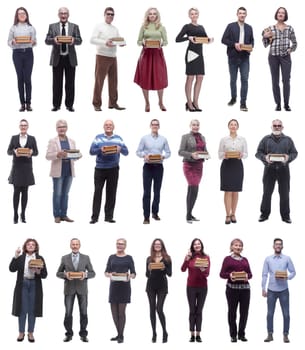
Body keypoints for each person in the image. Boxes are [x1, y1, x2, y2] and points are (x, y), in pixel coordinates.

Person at [255, 119, 297, 223]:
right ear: (271, 127)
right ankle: (264, 214)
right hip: (269, 170)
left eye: (279, 125)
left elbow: (294, 153)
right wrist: (265, 157)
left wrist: (288, 158)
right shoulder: (266, 139)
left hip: (284, 170)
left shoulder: (288, 140)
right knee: (267, 193)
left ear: (282, 127)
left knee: (284, 194)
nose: (277, 127)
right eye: (275, 125)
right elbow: (258, 153)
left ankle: (285, 216)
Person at [89, 119, 128, 224]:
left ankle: (109, 217)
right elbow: (91, 151)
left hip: (113, 169)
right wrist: (100, 150)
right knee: (98, 192)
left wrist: (121, 149)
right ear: (103, 127)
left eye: (110, 125)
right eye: (106, 125)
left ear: (113, 127)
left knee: (111, 193)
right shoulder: (98, 138)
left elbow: (126, 152)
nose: (108, 126)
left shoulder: (119, 139)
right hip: (100, 169)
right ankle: (94, 217)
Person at [57, 238, 95, 342]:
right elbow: (58, 273)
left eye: (77, 244)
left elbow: (93, 273)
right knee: (68, 312)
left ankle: (83, 334)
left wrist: (85, 274)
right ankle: (69, 334)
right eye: (73, 244)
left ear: (79, 245)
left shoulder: (86, 258)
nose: (75, 246)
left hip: (82, 289)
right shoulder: (64, 258)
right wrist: (65, 275)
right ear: (70, 245)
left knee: (83, 312)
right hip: (69, 289)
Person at [9, 238, 47, 343]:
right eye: (29, 244)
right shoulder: (20, 258)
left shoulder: (40, 258)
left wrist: (38, 272)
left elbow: (45, 275)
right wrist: (15, 256)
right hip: (23, 285)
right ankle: (21, 332)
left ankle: (30, 332)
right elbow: (11, 269)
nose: (30, 246)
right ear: (25, 246)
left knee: (32, 310)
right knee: (22, 309)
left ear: (36, 247)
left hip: (35, 284)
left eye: (33, 245)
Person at [175, 7, 213, 111]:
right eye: (192, 14)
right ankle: (189, 102)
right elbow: (177, 39)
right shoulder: (187, 26)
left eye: (196, 13)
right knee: (190, 78)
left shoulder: (201, 27)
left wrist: (210, 40)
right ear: (189, 15)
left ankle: (196, 102)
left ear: (198, 15)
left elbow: (205, 39)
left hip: (200, 55)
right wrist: (188, 38)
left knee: (200, 77)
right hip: (191, 54)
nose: (194, 15)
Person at [45, 7, 82, 112]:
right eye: (61, 13)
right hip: (57, 58)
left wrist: (74, 40)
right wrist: (54, 40)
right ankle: (56, 105)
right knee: (57, 83)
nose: (63, 15)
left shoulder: (74, 27)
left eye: (65, 13)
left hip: (70, 58)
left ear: (68, 15)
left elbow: (80, 40)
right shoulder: (52, 26)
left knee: (70, 83)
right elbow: (47, 40)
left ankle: (69, 105)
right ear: (58, 15)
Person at [136, 119, 171, 224]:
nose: (155, 126)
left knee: (157, 192)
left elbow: (169, 152)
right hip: (148, 167)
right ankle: (146, 216)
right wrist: (144, 155)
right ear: (150, 126)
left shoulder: (163, 139)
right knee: (146, 192)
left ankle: (155, 213)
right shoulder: (144, 138)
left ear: (159, 126)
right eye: (153, 124)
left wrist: (164, 156)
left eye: (157, 124)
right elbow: (138, 151)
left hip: (159, 167)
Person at [91, 7, 125, 111]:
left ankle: (113, 103)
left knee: (113, 81)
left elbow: (118, 39)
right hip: (102, 56)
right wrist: (105, 42)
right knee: (99, 81)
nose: (110, 16)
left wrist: (122, 43)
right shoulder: (99, 26)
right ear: (104, 14)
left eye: (112, 14)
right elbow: (92, 40)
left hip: (113, 57)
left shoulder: (115, 28)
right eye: (108, 14)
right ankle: (96, 104)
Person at [262, 7, 297, 111]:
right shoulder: (270, 28)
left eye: (283, 13)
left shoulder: (289, 28)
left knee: (286, 80)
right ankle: (278, 104)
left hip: (286, 57)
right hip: (273, 57)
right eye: (279, 12)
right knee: (275, 81)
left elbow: (295, 43)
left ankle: (286, 104)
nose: (281, 14)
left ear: (285, 15)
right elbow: (265, 44)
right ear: (276, 15)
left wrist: (290, 50)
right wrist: (265, 36)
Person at [46, 119, 81, 223]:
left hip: (69, 171)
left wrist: (78, 156)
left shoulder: (72, 141)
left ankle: (64, 215)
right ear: (56, 129)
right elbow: (47, 156)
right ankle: (57, 215)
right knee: (57, 194)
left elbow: (73, 156)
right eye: (59, 127)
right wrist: (57, 154)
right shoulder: (53, 141)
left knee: (65, 194)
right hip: (58, 172)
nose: (62, 129)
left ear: (67, 128)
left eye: (64, 127)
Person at [262, 238, 296, 343]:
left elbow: (293, 272)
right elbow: (264, 274)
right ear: (273, 246)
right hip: (271, 290)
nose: (278, 246)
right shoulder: (268, 259)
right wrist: (263, 288)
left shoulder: (287, 259)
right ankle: (270, 334)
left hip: (283, 290)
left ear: (282, 246)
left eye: (280, 244)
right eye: (276, 244)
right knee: (270, 314)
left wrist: (287, 277)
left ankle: (286, 334)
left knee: (286, 314)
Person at [134, 7, 168, 112]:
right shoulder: (144, 27)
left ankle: (161, 102)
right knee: (145, 78)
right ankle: (147, 103)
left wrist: (161, 44)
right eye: (150, 14)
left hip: (157, 54)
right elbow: (139, 41)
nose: (152, 15)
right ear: (147, 16)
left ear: (157, 15)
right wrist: (143, 43)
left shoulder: (161, 27)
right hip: (146, 55)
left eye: (154, 14)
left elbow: (166, 41)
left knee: (160, 78)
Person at [221, 7, 254, 112]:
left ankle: (243, 103)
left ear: (246, 15)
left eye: (244, 13)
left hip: (245, 57)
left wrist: (250, 48)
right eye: (240, 13)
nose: (242, 15)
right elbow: (223, 39)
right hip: (233, 57)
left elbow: (252, 41)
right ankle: (233, 98)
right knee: (233, 79)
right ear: (237, 14)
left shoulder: (249, 27)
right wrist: (234, 44)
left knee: (244, 80)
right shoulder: (230, 26)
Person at [219, 238, 252, 343]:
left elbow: (250, 274)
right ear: (231, 247)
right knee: (232, 312)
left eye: (240, 245)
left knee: (244, 312)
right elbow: (221, 274)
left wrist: (247, 276)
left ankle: (241, 334)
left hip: (245, 290)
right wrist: (230, 275)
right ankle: (233, 335)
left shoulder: (245, 259)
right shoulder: (227, 259)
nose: (238, 247)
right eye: (236, 245)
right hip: (232, 290)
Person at [105, 238, 136, 344]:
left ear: (125, 246)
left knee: (121, 313)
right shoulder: (111, 257)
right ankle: (118, 334)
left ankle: (121, 335)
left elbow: (133, 273)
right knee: (114, 313)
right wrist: (109, 274)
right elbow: (106, 271)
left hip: (124, 287)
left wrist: (129, 276)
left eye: (122, 244)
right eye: (118, 244)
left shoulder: (129, 258)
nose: (120, 245)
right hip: (114, 287)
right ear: (116, 245)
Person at [7, 119, 38, 224]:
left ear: (27, 127)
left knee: (25, 193)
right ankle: (15, 214)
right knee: (16, 193)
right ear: (19, 127)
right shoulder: (14, 138)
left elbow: (36, 152)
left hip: (27, 169)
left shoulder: (32, 138)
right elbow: (8, 151)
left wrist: (32, 152)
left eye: (25, 125)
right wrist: (14, 151)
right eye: (21, 125)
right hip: (17, 168)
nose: (23, 127)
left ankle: (23, 214)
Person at [218, 119, 247, 224]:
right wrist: (224, 155)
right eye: (231, 124)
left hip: (237, 165)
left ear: (237, 127)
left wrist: (241, 155)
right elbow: (219, 154)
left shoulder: (242, 139)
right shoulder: (224, 139)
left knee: (235, 191)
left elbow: (246, 154)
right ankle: (227, 215)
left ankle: (233, 214)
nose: (233, 126)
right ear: (228, 126)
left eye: (235, 125)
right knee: (227, 190)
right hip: (227, 165)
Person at [178, 119, 208, 223]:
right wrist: (191, 154)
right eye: (194, 125)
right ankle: (188, 215)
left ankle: (190, 214)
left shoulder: (202, 137)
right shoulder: (185, 137)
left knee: (195, 189)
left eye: (197, 125)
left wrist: (207, 155)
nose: (195, 127)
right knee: (192, 186)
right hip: (189, 165)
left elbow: (205, 150)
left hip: (199, 165)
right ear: (190, 126)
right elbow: (180, 152)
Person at [181, 238, 210, 343]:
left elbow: (207, 274)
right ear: (192, 247)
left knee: (199, 311)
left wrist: (203, 269)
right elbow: (183, 269)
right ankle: (192, 334)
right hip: (191, 287)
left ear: (201, 245)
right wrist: (186, 259)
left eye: (198, 244)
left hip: (202, 287)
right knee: (192, 310)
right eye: (195, 244)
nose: (197, 245)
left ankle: (198, 334)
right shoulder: (190, 257)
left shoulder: (206, 257)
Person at [8, 7, 36, 112]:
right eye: (19, 14)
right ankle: (22, 104)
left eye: (23, 13)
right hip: (17, 54)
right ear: (17, 16)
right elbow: (8, 41)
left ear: (26, 15)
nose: (22, 15)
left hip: (28, 53)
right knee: (20, 78)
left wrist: (33, 42)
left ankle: (28, 103)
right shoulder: (13, 28)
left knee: (27, 79)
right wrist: (13, 42)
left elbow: (35, 41)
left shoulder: (31, 28)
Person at [146, 238, 172, 343]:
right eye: (155, 244)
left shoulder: (167, 258)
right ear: (153, 246)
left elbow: (170, 274)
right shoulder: (149, 258)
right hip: (151, 286)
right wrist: (149, 269)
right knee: (152, 310)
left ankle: (165, 332)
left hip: (162, 286)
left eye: (159, 244)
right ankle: (154, 333)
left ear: (162, 246)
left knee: (159, 309)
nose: (157, 245)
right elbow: (147, 275)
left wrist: (164, 268)